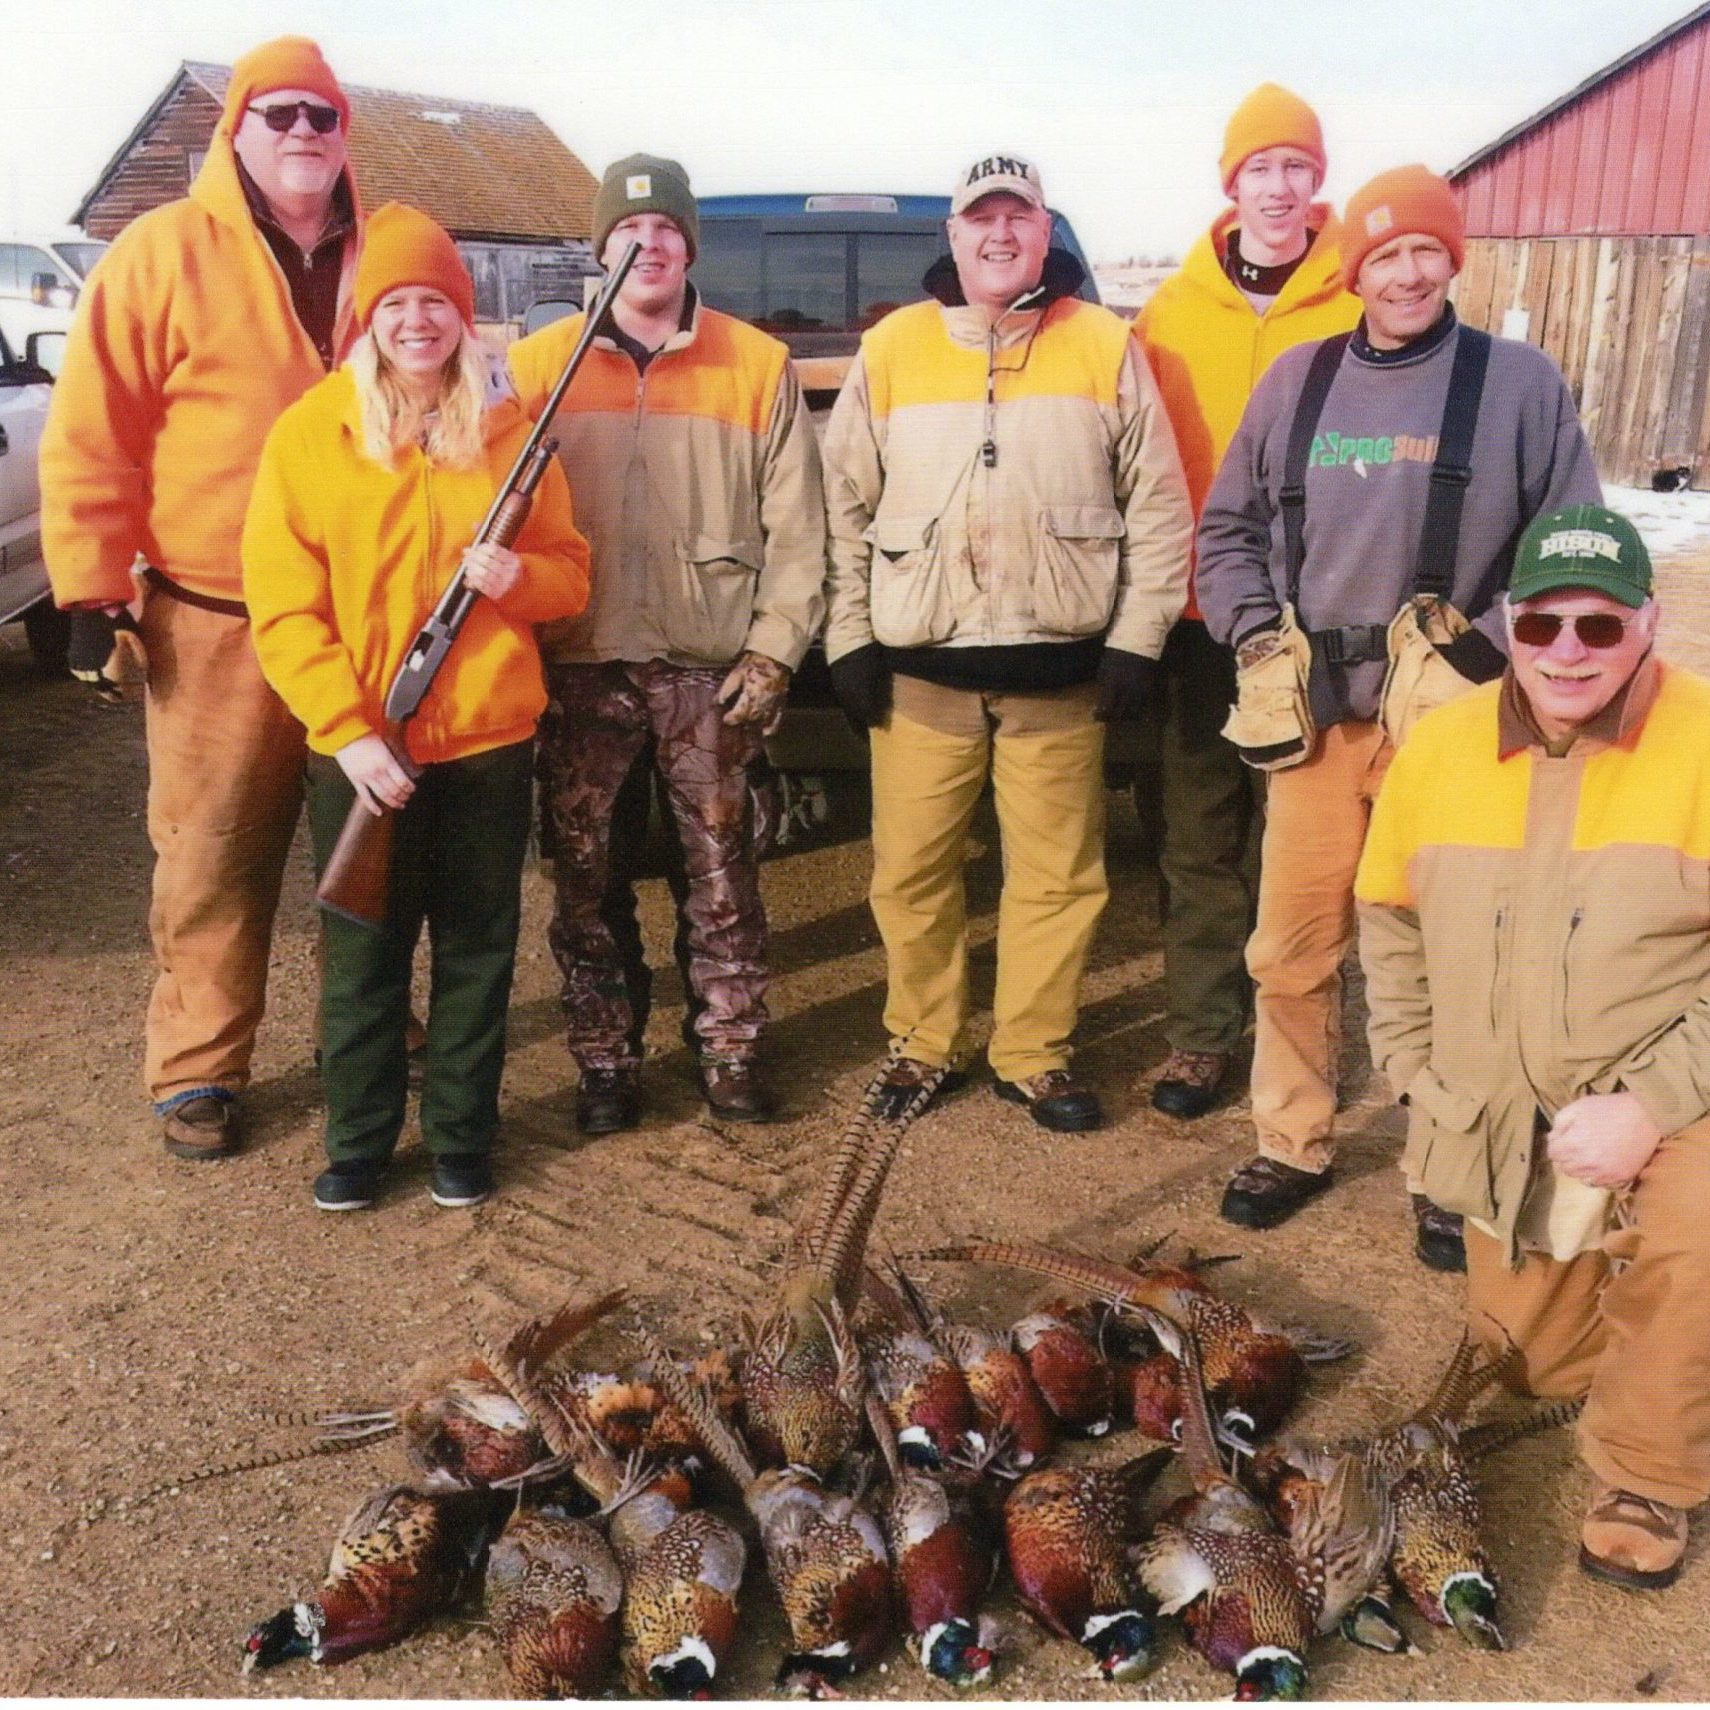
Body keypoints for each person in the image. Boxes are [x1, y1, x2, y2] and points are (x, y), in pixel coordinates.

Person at [1196, 165, 1600, 1253]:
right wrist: (1254, 633)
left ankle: (1446, 1162)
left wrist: (1496, 657)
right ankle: (1291, 1138)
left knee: (1449, 956)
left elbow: (1572, 549)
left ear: (1452, 259)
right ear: (1353, 272)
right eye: (1384, 256)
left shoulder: (1516, 384)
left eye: (1427, 251)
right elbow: (1227, 530)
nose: (1408, 274)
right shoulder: (1296, 381)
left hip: (1457, 730)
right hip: (1319, 724)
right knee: (1291, 948)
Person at [1356, 504, 1710, 1591]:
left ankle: (1649, 1472)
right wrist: (1415, 1069)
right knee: (1532, 1368)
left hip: (1677, 1095)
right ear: (1508, 623)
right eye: (1542, 622)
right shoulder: (1441, 745)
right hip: (1510, 1120)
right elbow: (1389, 917)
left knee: (1695, 1235)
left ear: (1648, 624)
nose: (1567, 651)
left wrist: (1653, 1105)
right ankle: (1654, 1331)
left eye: (1599, 626)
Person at [822, 153, 1193, 1130]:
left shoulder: (1103, 343)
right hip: (921, 675)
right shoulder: (893, 347)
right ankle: (922, 1045)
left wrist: (1138, 640)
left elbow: (1159, 506)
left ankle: (1033, 1052)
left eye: (1017, 217)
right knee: (910, 874)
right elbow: (841, 506)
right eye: (980, 219)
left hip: (1060, 674)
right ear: (953, 236)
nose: (999, 234)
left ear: (1043, 230)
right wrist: (849, 640)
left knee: (1059, 879)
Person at [40, 37, 363, 1161]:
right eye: (280, 114)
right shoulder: (161, 252)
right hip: (215, 615)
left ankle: (367, 1027)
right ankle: (198, 1066)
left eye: (322, 115)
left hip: (362, 617)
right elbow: (95, 431)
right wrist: (91, 591)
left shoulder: (388, 253)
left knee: (367, 835)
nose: (303, 133)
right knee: (212, 851)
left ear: (344, 132)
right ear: (237, 130)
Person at [242, 204, 590, 1211]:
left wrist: (518, 579)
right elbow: (283, 606)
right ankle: (357, 1144)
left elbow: (572, 576)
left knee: (478, 950)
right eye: (395, 302)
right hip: (361, 749)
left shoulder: (513, 434)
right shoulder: (311, 433)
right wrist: (349, 733)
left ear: (462, 315)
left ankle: (460, 1141)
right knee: (364, 954)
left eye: (435, 301)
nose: (416, 321)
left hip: (488, 741)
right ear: (368, 318)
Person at [507, 155, 826, 1134]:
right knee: (585, 883)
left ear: (689, 247)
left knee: (722, 877)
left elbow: (800, 530)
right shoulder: (539, 368)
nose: (646, 247)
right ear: (599, 248)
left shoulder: (754, 364)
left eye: (665, 232)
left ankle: (731, 1049)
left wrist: (773, 652)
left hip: (709, 669)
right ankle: (607, 1059)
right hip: (579, 664)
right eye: (627, 233)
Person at [1134, 84, 1360, 1121]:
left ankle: (1297, 1042)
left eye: (1295, 167)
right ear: (1232, 183)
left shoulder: (1356, 302)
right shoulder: (1169, 313)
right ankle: (1201, 1036)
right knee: (1199, 839)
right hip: (1198, 620)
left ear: (1318, 180)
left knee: (1304, 849)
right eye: (1259, 168)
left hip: (1315, 624)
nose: (1277, 187)